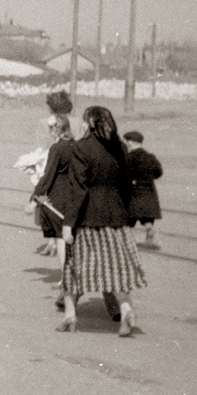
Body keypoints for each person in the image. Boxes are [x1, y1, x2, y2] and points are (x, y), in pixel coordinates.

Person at [56, 106, 147, 337]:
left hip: (88, 219)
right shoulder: (120, 147)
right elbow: (127, 186)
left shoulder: (81, 147)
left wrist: (68, 223)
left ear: (89, 123)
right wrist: (123, 212)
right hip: (115, 218)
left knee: (73, 268)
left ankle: (70, 316)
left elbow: (78, 188)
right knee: (115, 269)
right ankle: (125, 308)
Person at [33, 114, 81, 262]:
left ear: (56, 128)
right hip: (74, 194)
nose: (49, 131)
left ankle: (64, 277)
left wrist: (35, 197)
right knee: (72, 234)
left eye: (50, 128)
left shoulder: (57, 148)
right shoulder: (76, 145)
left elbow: (49, 174)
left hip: (59, 195)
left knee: (61, 237)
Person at [123, 131, 163, 250]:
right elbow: (159, 172)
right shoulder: (150, 156)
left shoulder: (129, 158)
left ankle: (125, 241)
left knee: (128, 219)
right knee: (147, 218)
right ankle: (149, 232)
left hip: (134, 192)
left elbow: (125, 175)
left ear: (130, 143)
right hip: (149, 191)